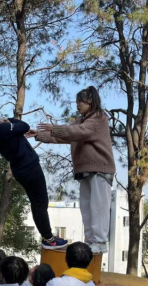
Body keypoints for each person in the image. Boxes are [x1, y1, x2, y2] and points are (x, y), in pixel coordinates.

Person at [0, 108, 67, 251]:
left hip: (22, 169)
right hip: (29, 168)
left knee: (37, 202)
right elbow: (24, 127)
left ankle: (48, 237)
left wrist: (9, 125)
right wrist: (11, 121)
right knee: (40, 203)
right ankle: (49, 239)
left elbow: (17, 132)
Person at [33, 87, 116, 255]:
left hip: (100, 169)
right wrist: (38, 134)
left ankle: (100, 242)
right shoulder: (81, 121)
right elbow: (64, 136)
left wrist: (54, 128)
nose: (77, 105)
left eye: (80, 101)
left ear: (90, 101)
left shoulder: (98, 118)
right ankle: (91, 241)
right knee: (86, 207)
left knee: (98, 206)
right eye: (77, 102)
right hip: (85, 170)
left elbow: (77, 132)